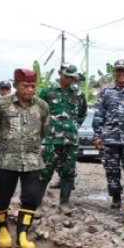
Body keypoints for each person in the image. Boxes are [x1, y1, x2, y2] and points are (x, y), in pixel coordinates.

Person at [0, 68, 49, 248]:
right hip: (6, 160)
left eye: (33, 86)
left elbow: (43, 130)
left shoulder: (42, 106)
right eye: (25, 86)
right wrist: (5, 148)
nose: (30, 90)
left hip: (32, 160)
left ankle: (23, 234)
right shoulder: (0, 105)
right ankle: (2, 229)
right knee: (3, 197)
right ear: (15, 86)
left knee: (31, 197)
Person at [39, 63, 87, 213]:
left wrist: (73, 126)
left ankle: (64, 204)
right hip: (50, 140)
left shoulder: (78, 94)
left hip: (70, 140)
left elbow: (82, 114)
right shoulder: (47, 92)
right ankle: (37, 204)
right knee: (44, 171)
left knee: (68, 171)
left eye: (72, 77)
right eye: (67, 76)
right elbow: (37, 113)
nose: (69, 79)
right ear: (60, 74)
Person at [94, 59, 124, 210]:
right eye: (118, 70)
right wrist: (97, 135)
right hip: (110, 138)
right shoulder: (106, 92)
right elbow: (99, 114)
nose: (121, 74)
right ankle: (116, 197)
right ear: (114, 73)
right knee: (112, 171)